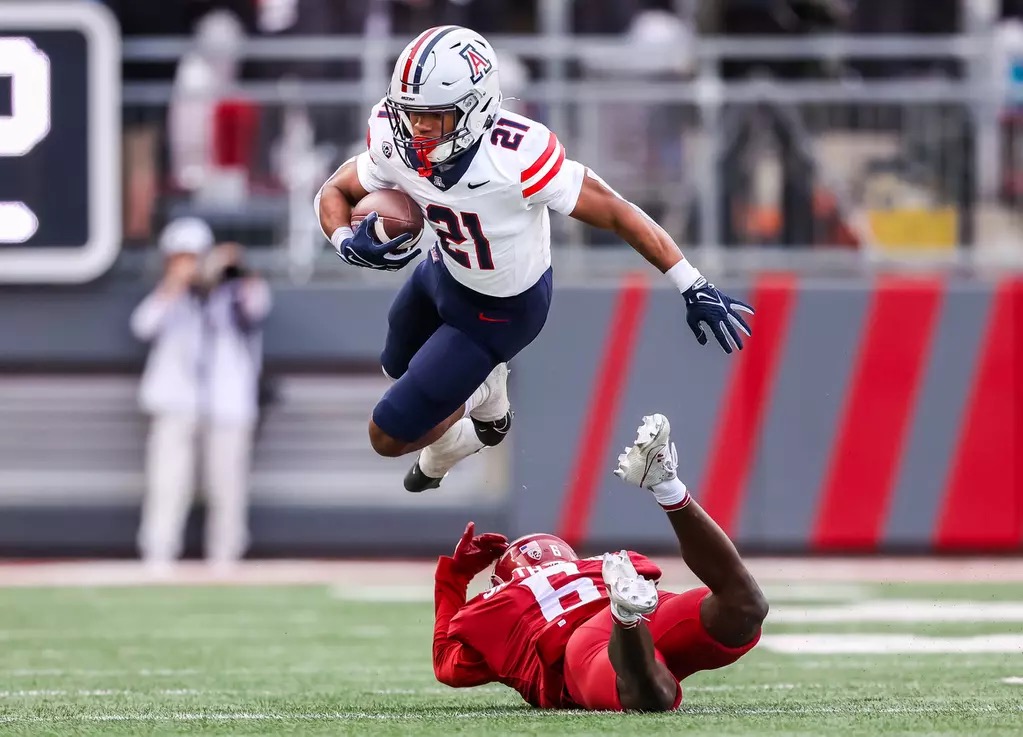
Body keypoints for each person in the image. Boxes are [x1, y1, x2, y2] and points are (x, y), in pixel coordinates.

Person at [315, 26, 755, 493]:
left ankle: (482, 391)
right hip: (441, 270)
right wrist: (344, 239)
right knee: (394, 366)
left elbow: (617, 212)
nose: (416, 129)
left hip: (499, 311)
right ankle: (473, 408)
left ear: (474, 108)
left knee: (386, 436)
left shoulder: (517, 158)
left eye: (434, 116)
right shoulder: (393, 135)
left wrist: (691, 282)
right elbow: (335, 190)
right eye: (410, 113)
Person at [431, 413, 769, 711]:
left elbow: (446, 664)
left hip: (582, 642)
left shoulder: (499, 604)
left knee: (654, 696)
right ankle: (669, 488)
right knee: (745, 608)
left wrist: (453, 577)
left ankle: (626, 620)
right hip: (634, 601)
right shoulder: (593, 564)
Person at [131, 217, 272, 572]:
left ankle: (226, 554)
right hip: (176, 402)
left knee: (227, 483)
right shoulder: (169, 296)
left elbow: (258, 306)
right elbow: (143, 325)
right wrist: (174, 286)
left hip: (228, 403)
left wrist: (235, 270)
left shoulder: (231, 289)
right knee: (168, 481)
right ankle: (159, 552)